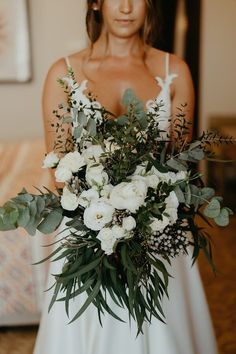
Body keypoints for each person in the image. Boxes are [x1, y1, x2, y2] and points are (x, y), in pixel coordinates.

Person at [33, 1, 218, 353]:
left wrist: (140, 213)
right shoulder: (65, 70)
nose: (127, 7)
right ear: (96, 2)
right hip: (86, 234)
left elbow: (179, 165)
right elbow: (59, 167)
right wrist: (103, 217)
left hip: (160, 234)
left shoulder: (174, 69)